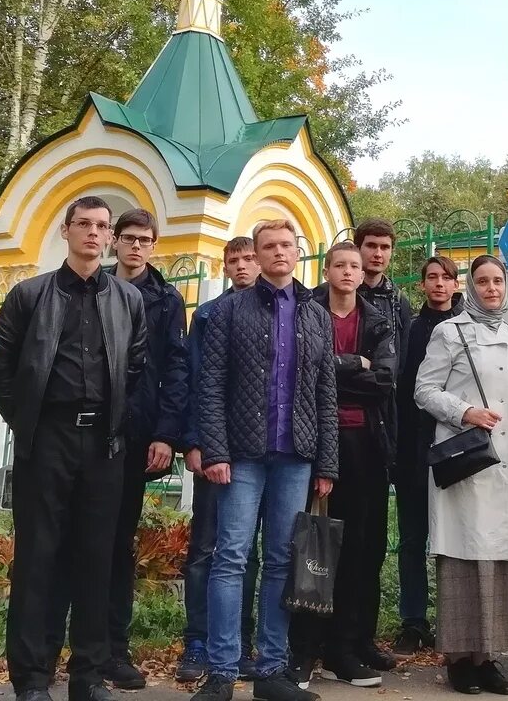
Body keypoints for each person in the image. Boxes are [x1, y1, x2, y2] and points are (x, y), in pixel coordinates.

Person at [0, 196, 147, 701]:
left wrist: (117, 425)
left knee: (97, 559)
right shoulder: (30, 295)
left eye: (103, 226)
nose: (94, 234)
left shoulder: (128, 300)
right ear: (66, 230)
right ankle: (32, 679)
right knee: (39, 559)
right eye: (85, 225)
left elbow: (136, 368)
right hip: (47, 440)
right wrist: (28, 421)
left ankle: (88, 676)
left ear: (111, 237)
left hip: (104, 443)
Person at [194, 219, 339, 701]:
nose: (279, 253)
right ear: (255, 255)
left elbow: (325, 394)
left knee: (281, 560)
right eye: (268, 246)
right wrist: (215, 450)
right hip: (241, 455)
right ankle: (221, 670)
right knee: (230, 558)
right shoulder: (231, 311)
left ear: (298, 252)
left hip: (295, 456)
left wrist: (326, 464)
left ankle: (272, 670)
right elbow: (210, 384)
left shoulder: (315, 314)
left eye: (286, 245)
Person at [46, 208, 190, 690]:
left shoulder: (167, 300)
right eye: (126, 237)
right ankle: (53, 648)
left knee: (116, 546)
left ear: (154, 245)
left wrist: (166, 434)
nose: (134, 246)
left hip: (137, 435)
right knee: (66, 541)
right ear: (113, 241)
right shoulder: (96, 289)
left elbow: (177, 370)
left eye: (144, 239)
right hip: (85, 435)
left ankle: (112, 650)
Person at [414, 255, 508, 696]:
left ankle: (489, 659)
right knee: (466, 557)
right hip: (468, 463)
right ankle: (460, 661)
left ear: (506, 285)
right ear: (471, 286)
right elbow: (423, 390)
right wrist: (464, 411)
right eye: (482, 281)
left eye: (497, 281)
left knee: (502, 560)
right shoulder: (449, 332)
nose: (491, 288)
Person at [290, 241, 397, 688]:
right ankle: (302, 650)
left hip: (365, 444)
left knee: (355, 549)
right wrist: (354, 363)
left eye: (355, 266)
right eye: (341, 265)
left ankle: (344, 648)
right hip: (313, 441)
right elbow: (301, 370)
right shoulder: (307, 311)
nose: (349, 272)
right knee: (312, 546)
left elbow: (387, 379)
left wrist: (335, 374)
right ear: (328, 270)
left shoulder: (377, 319)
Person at [177, 237, 263, 684]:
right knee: (206, 547)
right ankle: (198, 641)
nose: (244, 266)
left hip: (258, 451)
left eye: (251, 258)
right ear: (226, 268)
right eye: (236, 260)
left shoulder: (279, 311)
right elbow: (194, 380)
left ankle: (239, 641)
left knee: (246, 551)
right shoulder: (208, 315)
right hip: (215, 446)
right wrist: (193, 442)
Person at [393, 256, 462, 655]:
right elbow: (401, 392)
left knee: (455, 540)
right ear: (422, 285)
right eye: (432, 277)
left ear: (456, 284)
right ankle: (413, 621)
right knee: (412, 539)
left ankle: (454, 623)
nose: (439, 284)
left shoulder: (468, 329)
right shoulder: (411, 330)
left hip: (458, 449)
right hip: (413, 450)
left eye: (446, 278)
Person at [353, 218, 412, 370]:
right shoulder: (338, 293)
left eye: (385, 247)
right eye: (371, 246)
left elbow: (402, 357)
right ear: (357, 248)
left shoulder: (398, 300)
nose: (378, 254)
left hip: (384, 389)